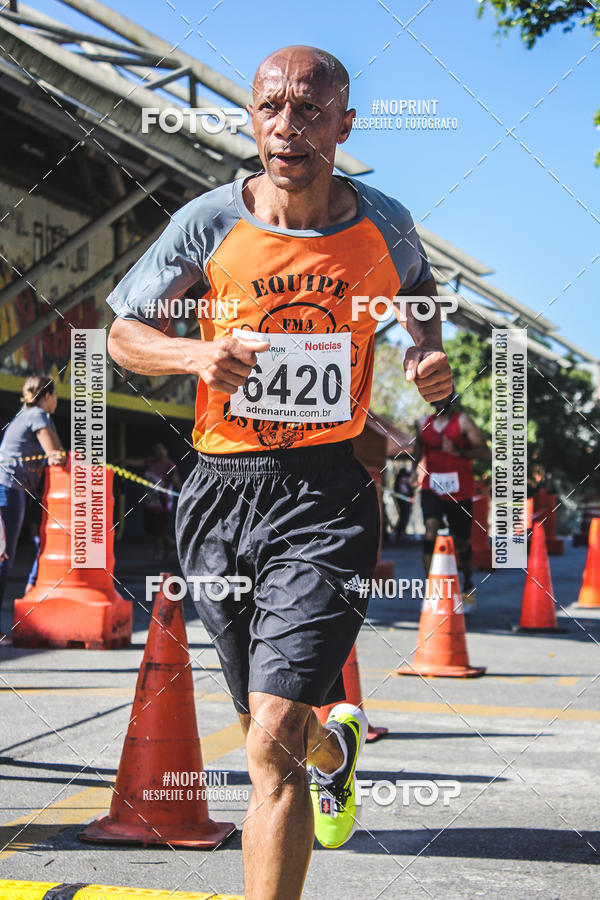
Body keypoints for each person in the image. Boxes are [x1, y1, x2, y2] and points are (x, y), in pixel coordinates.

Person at [105, 45, 452, 900]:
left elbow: (425, 295)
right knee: (269, 728)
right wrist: (196, 353)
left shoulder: (385, 225)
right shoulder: (209, 220)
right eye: (269, 107)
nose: (285, 126)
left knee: (270, 745)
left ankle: (310, 757)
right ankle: (339, 748)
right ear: (253, 116)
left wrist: (428, 356)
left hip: (326, 493)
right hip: (220, 495)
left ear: (344, 123)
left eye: (307, 109)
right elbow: (121, 333)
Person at [411, 391, 491, 610]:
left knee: (462, 540)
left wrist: (459, 451)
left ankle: (467, 585)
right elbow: (418, 449)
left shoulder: (463, 423)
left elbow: (486, 452)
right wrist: (412, 471)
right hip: (432, 487)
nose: (440, 401)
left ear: (452, 399)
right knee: (430, 531)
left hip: (460, 491)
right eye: (435, 397)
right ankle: (431, 589)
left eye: (445, 396)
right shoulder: (421, 423)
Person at [0, 375, 65, 642]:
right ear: (47, 397)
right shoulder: (38, 414)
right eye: (56, 395)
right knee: (3, 558)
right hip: (7, 491)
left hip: (9, 489)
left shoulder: (22, 415)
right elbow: (56, 454)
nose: (57, 401)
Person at [117, 442, 181, 559]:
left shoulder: (169, 465)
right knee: (149, 527)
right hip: (149, 501)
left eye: (161, 449)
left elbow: (176, 481)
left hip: (163, 502)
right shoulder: (150, 462)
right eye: (157, 449)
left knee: (159, 528)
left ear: (166, 451)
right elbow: (137, 463)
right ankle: (169, 542)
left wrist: (182, 493)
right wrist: (123, 461)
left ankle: (159, 552)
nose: (159, 451)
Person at [393, 466, 414, 542]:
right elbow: (396, 489)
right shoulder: (399, 479)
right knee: (403, 514)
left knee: (405, 515)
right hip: (401, 498)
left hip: (407, 498)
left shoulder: (407, 477)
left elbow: (411, 488)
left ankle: (401, 531)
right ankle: (399, 532)